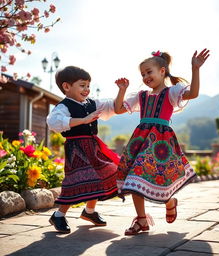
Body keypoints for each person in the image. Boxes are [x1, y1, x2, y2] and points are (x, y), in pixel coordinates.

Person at [114, 49, 210, 235]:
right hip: (140, 140)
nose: (145, 76)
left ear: (162, 71)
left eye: (149, 72)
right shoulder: (140, 95)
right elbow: (118, 109)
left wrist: (195, 69)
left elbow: (194, 93)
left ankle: (170, 201)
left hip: (160, 143)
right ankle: (142, 220)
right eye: (142, 74)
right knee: (133, 177)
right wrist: (122, 91)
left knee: (159, 176)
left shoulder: (171, 92)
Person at [47, 66, 120, 233]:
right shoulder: (64, 106)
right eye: (82, 85)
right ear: (66, 87)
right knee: (77, 180)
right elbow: (54, 122)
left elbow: (113, 105)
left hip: (93, 146)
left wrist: (122, 90)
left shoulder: (92, 104)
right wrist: (83, 120)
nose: (87, 89)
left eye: (88, 85)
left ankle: (89, 211)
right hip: (76, 148)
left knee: (104, 174)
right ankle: (58, 215)